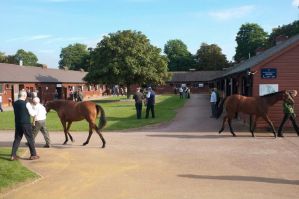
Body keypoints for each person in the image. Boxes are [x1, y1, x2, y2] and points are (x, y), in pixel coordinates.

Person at [11, 90, 39, 161]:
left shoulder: (15, 103)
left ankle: (13, 155)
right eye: (26, 95)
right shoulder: (27, 103)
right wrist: (35, 108)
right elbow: (32, 114)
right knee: (30, 139)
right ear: (24, 96)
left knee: (17, 139)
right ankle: (33, 154)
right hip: (26, 123)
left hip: (18, 123)